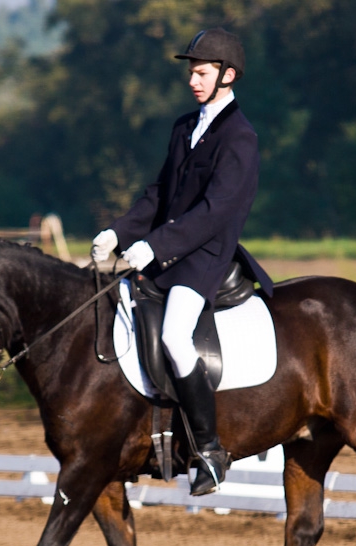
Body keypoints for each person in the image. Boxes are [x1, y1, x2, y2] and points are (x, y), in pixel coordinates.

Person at [91, 28, 273, 496]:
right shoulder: (183, 126)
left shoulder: (240, 137)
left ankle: (210, 450)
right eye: (192, 72)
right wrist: (119, 231)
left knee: (175, 335)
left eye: (202, 73)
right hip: (169, 252)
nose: (193, 80)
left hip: (205, 258)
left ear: (227, 75)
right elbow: (159, 194)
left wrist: (155, 246)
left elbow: (215, 211)